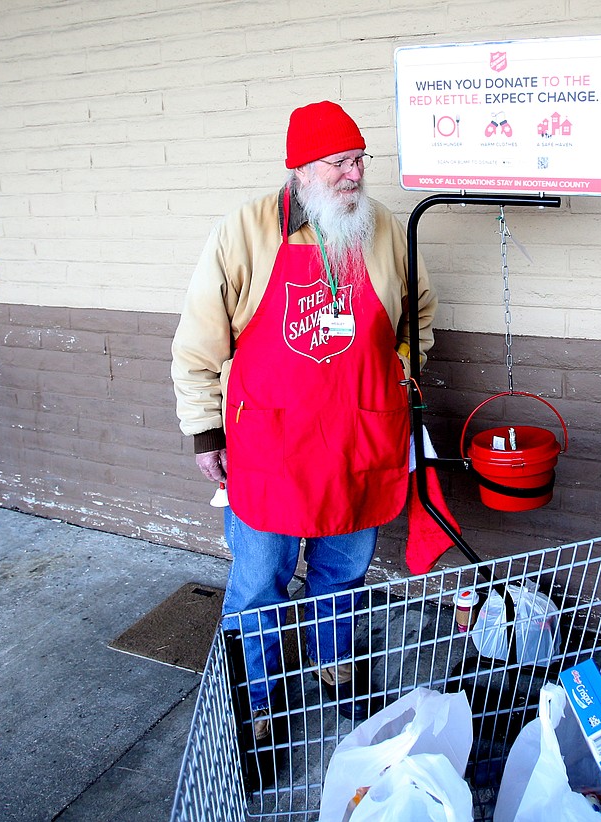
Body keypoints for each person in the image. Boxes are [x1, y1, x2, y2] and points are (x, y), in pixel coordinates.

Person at [171, 101, 438, 749]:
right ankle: (254, 697)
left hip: (360, 440)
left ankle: (332, 660)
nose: (354, 176)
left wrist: (396, 375)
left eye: (359, 161)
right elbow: (198, 342)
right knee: (258, 580)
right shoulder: (244, 231)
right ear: (301, 170)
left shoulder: (383, 230)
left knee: (343, 570)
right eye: (339, 163)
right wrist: (208, 431)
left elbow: (418, 318)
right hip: (272, 447)